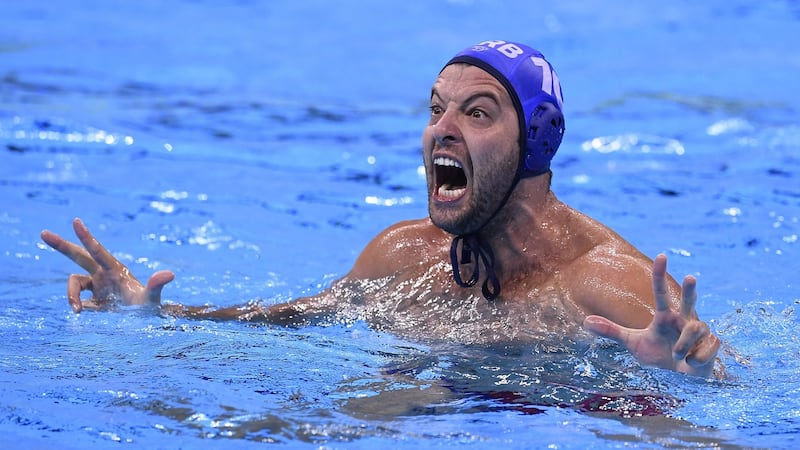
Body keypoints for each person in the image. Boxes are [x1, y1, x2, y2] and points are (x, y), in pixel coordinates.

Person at [41, 40, 721, 378]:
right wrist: (154, 315)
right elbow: (294, 320)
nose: (440, 129)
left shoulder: (611, 284)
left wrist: (695, 373)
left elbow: (731, 400)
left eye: (476, 112)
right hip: (435, 404)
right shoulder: (402, 253)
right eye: (435, 109)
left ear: (536, 140)